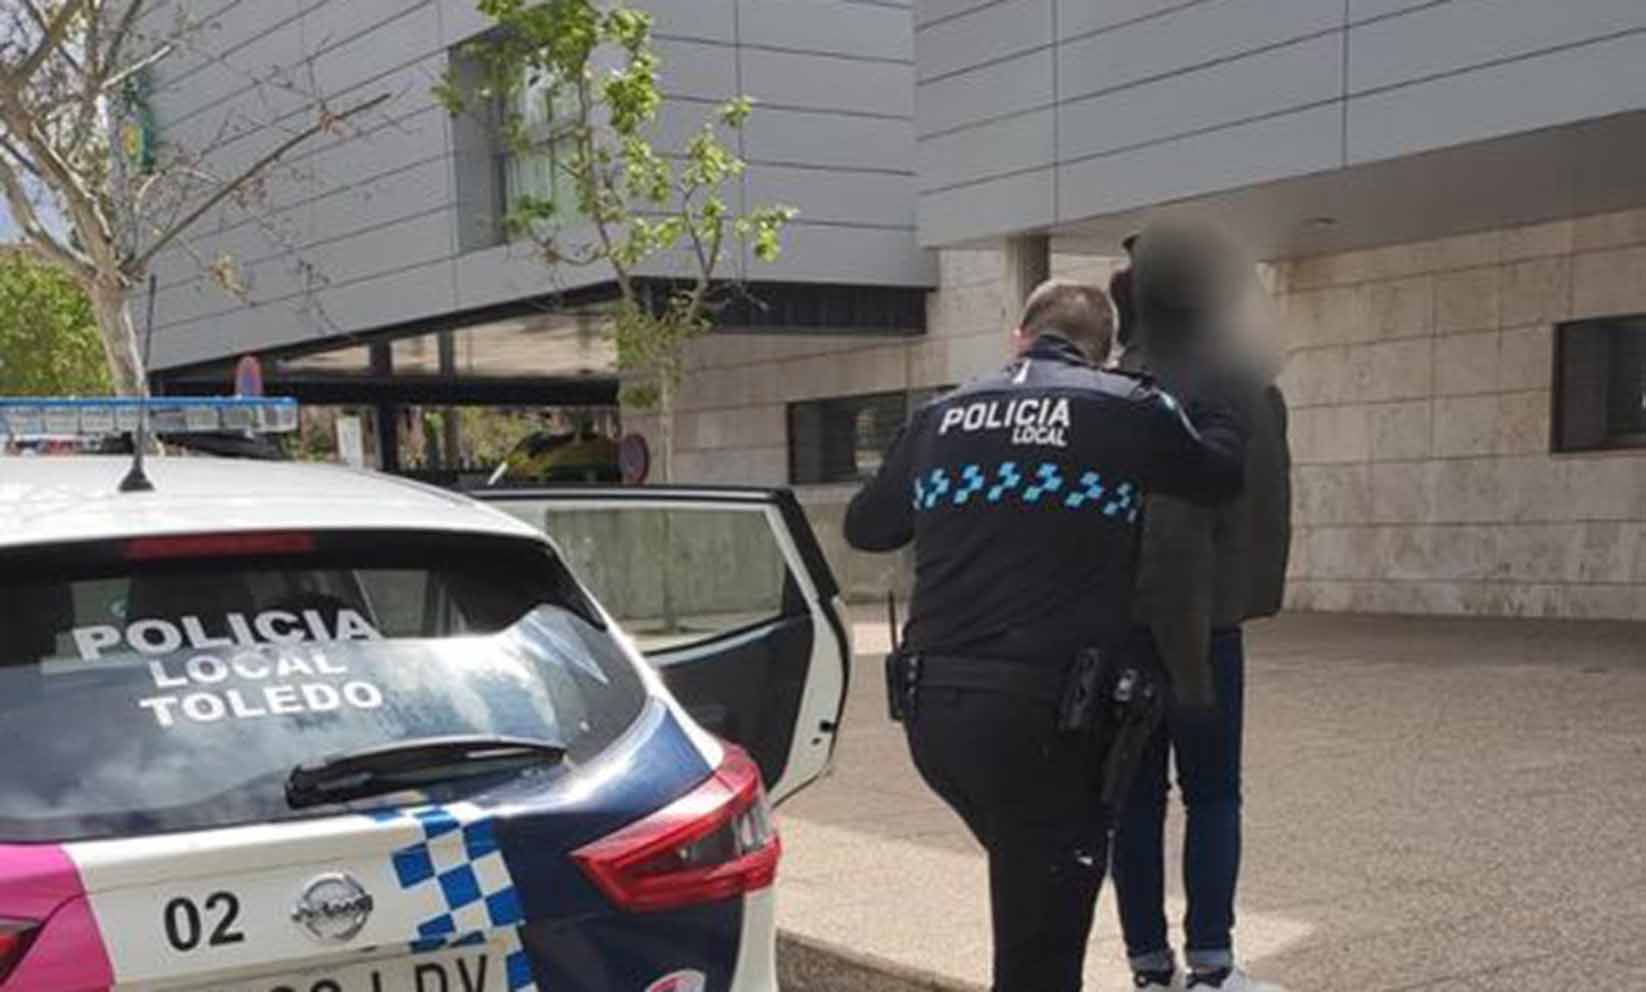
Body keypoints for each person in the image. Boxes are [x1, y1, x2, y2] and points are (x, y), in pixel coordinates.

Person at [844, 279, 1250, 992]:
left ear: (1018, 336)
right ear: (1100, 351)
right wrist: (1219, 396)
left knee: (1032, 889)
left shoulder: (943, 413)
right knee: (1043, 948)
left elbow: (868, 526)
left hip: (937, 720)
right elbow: (1219, 475)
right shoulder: (1125, 407)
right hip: (1049, 721)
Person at [1109, 222, 1293, 992]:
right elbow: (1265, 516)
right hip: (1207, 627)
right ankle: (1212, 964)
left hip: (1121, 627)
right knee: (1213, 790)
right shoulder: (1246, 393)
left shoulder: (1110, 387)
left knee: (1134, 798)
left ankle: (1150, 967)